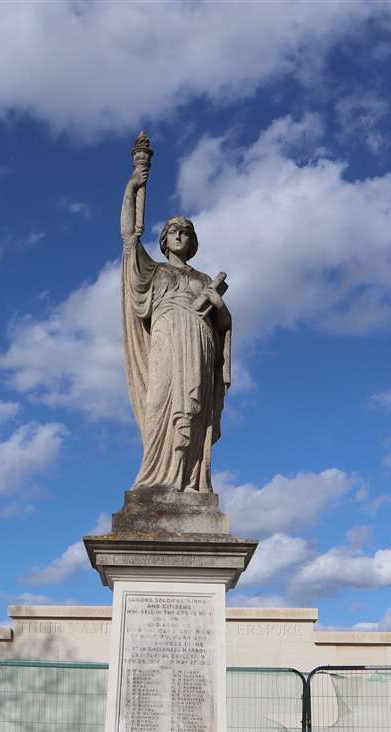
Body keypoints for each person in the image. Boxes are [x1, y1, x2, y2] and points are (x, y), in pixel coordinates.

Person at [119, 154, 231, 493]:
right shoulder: (154, 271)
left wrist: (218, 303)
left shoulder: (204, 278)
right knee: (159, 406)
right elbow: (128, 240)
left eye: (185, 231)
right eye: (173, 231)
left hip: (198, 340)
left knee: (192, 409)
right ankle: (154, 479)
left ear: (192, 242)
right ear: (164, 240)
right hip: (166, 338)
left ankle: (186, 482)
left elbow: (223, 324)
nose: (179, 235)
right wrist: (133, 187)